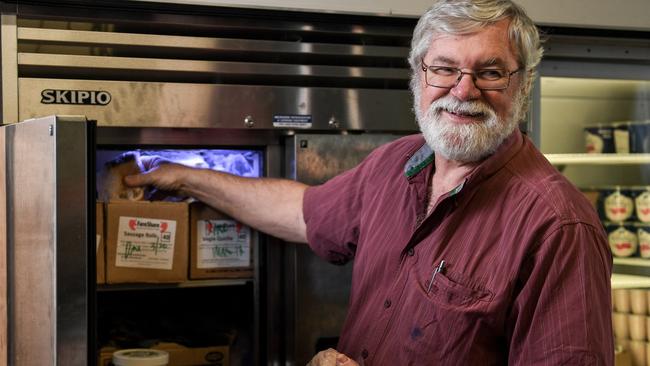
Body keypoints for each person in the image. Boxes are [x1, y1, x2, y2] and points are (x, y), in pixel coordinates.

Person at [124, 0, 614, 364]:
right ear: (418, 76)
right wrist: (183, 176)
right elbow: (302, 212)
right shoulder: (396, 164)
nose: (463, 90)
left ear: (522, 86)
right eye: (444, 68)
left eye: (490, 72)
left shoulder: (558, 226)